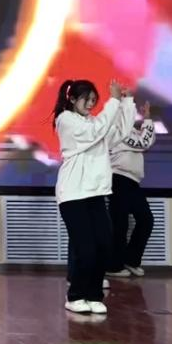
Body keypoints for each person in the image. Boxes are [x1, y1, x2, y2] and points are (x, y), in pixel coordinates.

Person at [54, 78, 134, 315]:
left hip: (96, 193)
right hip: (73, 194)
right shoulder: (65, 120)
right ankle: (75, 296)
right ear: (72, 99)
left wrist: (126, 102)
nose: (90, 104)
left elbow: (120, 132)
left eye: (93, 100)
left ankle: (93, 295)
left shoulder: (94, 122)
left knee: (104, 245)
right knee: (85, 248)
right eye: (86, 99)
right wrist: (113, 101)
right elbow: (95, 131)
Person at [104, 102, 156, 278]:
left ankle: (130, 260)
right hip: (118, 179)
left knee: (146, 220)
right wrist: (147, 120)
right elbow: (145, 142)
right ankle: (113, 266)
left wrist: (147, 119)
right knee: (119, 224)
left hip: (132, 181)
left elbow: (147, 141)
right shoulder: (116, 130)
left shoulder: (131, 130)